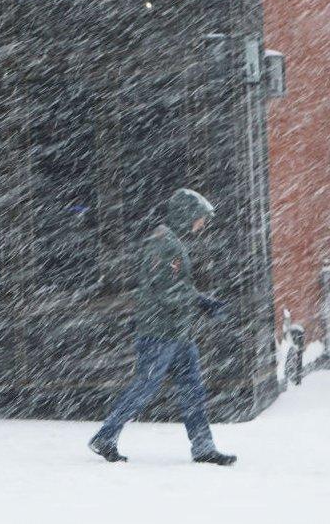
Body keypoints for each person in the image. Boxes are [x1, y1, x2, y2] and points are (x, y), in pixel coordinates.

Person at [88, 188, 237, 466]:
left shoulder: (172, 242)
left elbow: (174, 285)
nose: (202, 224)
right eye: (200, 218)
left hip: (178, 332)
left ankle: (203, 447)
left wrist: (199, 300)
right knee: (145, 387)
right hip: (160, 333)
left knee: (192, 390)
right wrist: (199, 302)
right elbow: (162, 288)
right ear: (186, 215)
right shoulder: (164, 244)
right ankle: (105, 436)